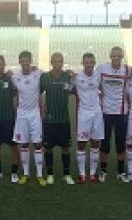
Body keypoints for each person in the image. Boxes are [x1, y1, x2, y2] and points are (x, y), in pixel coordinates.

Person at [95, 46, 129, 182]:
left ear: (122, 57)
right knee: (105, 144)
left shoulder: (127, 69)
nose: (116, 58)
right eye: (114, 56)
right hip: (106, 112)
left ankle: (121, 172)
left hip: (121, 112)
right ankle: (103, 171)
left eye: (119, 56)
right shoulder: (102, 68)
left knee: (121, 144)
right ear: (110, 56)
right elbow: (90, 76)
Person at [40, 52, 75, 185]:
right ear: (51, 62)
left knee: (66, 148)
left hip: (64, 119)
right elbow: (36, 91)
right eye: (55, 61)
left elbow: (76, 89)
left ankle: (67, 174)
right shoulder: (45, 77)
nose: (58, 64)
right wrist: (41, 105)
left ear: (63, 63)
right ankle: (50, 175)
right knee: (48, 148)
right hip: (49, 120)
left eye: (60, 61)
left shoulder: (68, 76)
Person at [12, 50, 45, 186]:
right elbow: (14, 94)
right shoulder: (15, 77)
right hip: (22, 115)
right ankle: (25, 174)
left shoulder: (39, 74)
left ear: (31, 61)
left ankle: (39, 175)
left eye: (27, 61)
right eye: (22, 61)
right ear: (19, 62)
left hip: (35, 114)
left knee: (38, 144)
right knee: (24, 144)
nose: (25, 63)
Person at [73, 52, 104, 183]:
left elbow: (102, 90)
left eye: (91, 62)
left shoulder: (99, 75)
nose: (89, 65)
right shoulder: (76, 77)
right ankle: (82, 174)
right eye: (87, 62)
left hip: (97, 113)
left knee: (96, 142)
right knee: (81, 143)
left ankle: (92, 174)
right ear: (83, 63)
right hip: (84, 114)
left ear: (94, 63)